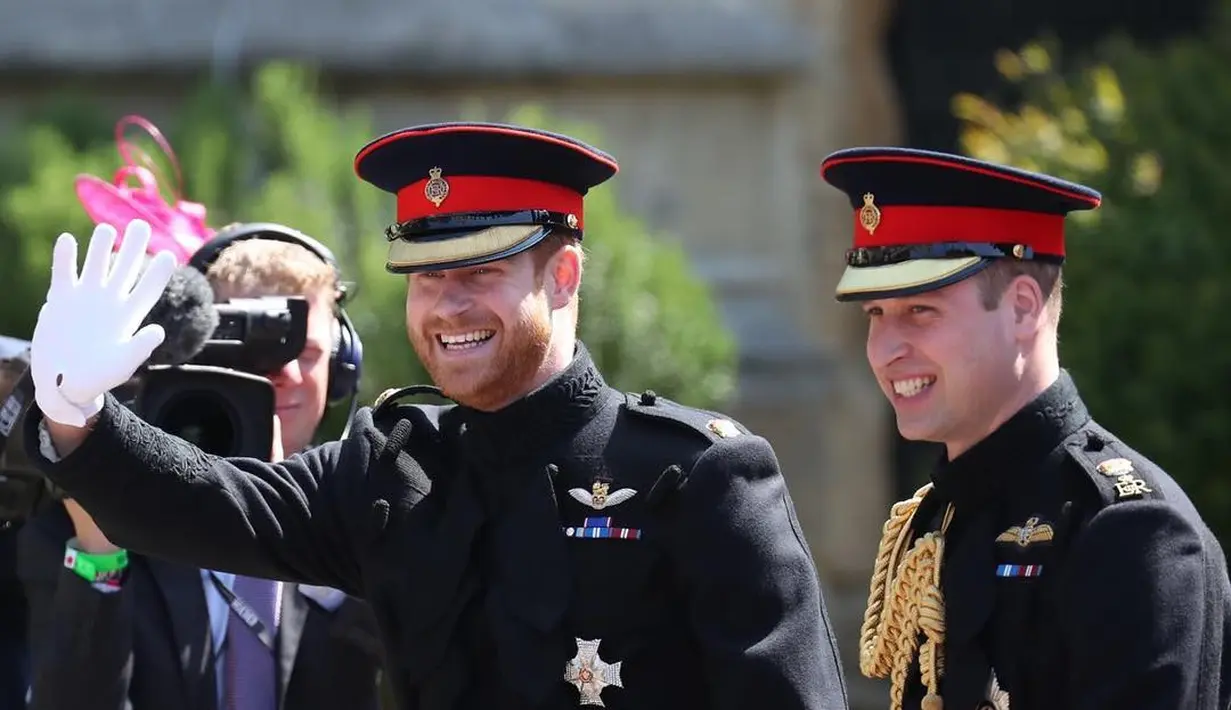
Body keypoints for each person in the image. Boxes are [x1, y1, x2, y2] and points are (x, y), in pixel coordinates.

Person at [18, 122, 850, 709]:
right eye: (424, 276)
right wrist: (76, 413)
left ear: (563, 277)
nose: (447, 306)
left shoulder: (696, 476)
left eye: (480, 272)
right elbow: (211, 505)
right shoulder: (392, 471)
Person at [819, 146, 1231, 710]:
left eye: (920, 311)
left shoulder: (1125, 530)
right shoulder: (938, 518)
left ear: (1021, 308)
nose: (886, 350)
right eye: (875, 314)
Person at [17, 224, 386, 710]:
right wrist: (98, 553)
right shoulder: (88, 522)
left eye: (307, 353)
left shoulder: (368, 511)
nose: (285, 374)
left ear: (342, 369)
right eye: (257, 350)